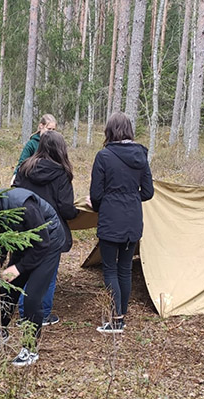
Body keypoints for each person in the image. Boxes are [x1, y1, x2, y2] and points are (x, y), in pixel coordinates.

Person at [0, 183, 65, 367]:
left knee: (32, 297)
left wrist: (19, 268)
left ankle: (30, 350)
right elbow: (3, 236)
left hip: (48, 242)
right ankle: (0, 332)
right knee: (7, 289)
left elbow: (42, 243)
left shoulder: (24, 206)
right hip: (24, 241)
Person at [89, 112, 154, 334]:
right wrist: (130, 196)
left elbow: (96, 194)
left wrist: (102, 204)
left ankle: (116, 320)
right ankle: (121, 318)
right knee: (124, 269)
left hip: (110, 219)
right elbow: (148, 192)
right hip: (133, 219)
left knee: (110, 270)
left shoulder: (104, 156)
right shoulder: (141, 155)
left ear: (109, 131)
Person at [13, 131, 78, 326]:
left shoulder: (25, 168)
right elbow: (66, 208)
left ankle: (24, 313)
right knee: (47, 276)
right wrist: (77, 214)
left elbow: (16, 193)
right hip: (51, 232)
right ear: (61, 149)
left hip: (25, 229)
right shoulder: (61, 174)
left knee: (24, 270)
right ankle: (42, 314)